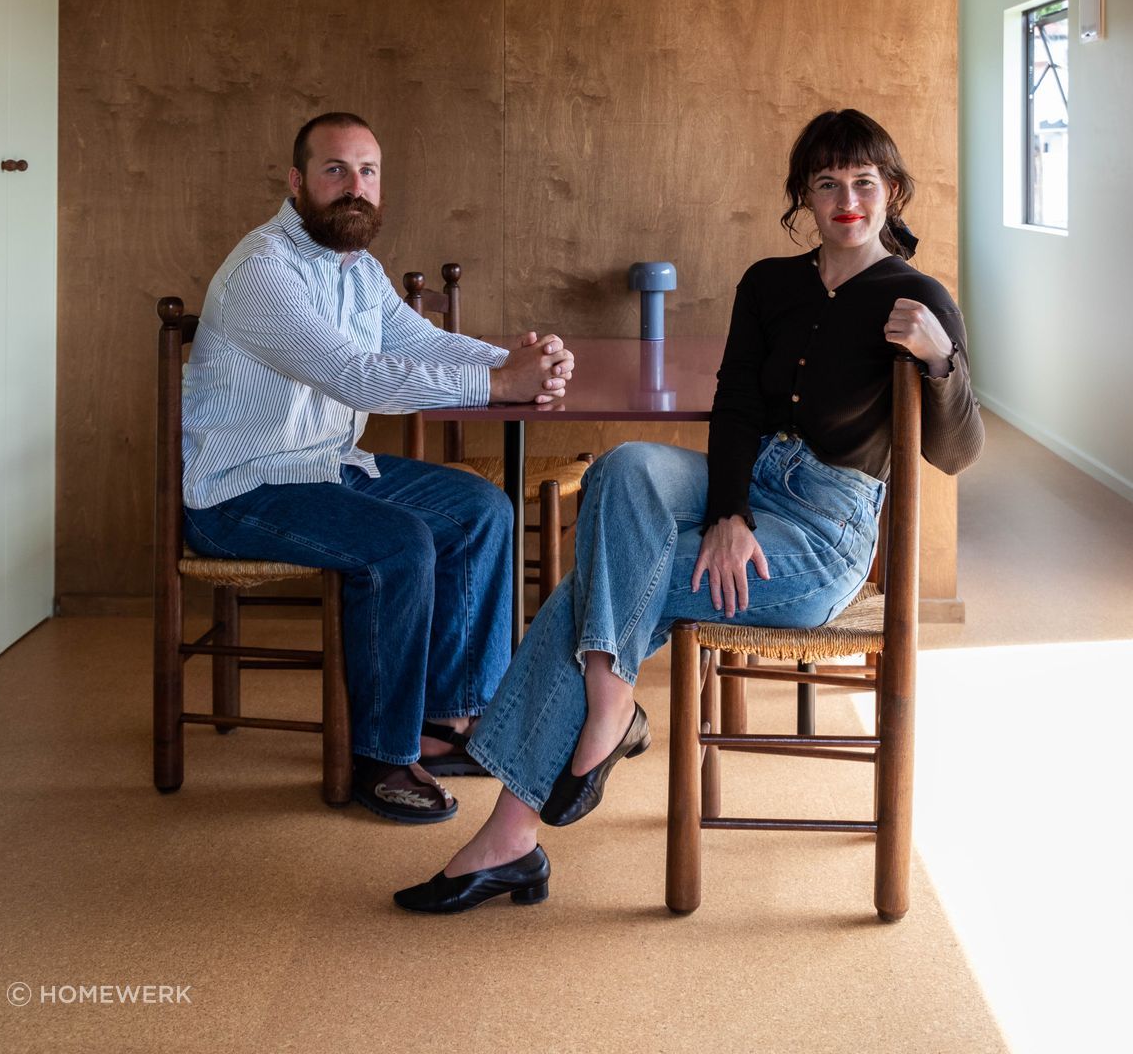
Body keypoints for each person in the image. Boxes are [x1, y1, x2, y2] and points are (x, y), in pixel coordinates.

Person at [394, 107, 983, 911]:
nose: (846, 199)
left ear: (894, 192)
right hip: (750, 484)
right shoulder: (769, 283)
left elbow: (956, 452)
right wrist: (727, 513)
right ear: (803, 197)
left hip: (822, 531)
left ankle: (514, 830)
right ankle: (608, 700)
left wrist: (941, 359)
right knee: (625, 468)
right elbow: (736, 406)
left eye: (864, 182)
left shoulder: (916, 298)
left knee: (589, 593)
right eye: (826, 183)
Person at [181, 111, 574, 824]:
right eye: (335, 171)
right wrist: (500, 385)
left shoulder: (356, 268)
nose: (354, 188)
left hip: (327, 467)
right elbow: (356, 377)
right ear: (297, 182)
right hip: (241, 488)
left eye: (368, 172)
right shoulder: (262, 271)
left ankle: (447, 721)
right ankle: (381, 757)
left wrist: (517, 365)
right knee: (398, 546)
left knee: (481, 510)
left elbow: (419, 341)